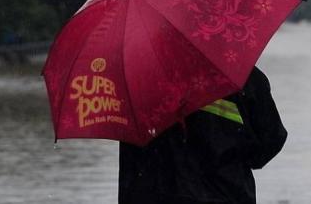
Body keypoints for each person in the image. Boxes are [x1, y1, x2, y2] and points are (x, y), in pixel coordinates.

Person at [118, 67, 287, 204]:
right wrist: (235, 162)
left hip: (157, 194)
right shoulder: (242, 77)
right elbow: (271, 139)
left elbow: (131, 162)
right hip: (226, 192)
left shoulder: (133, 82)